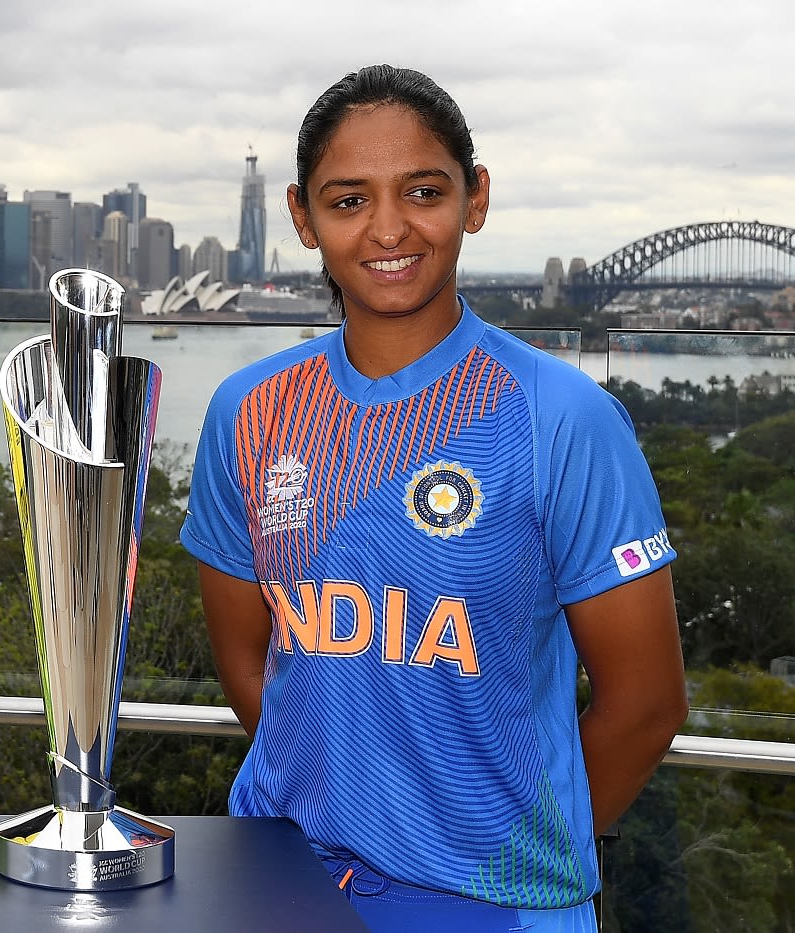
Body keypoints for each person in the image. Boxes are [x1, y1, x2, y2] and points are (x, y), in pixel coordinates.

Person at [180, 65, 687, 933]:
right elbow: (250, 665)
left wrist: (503, 848)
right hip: (282, 876)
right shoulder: (248, 410)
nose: (388, 228)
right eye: (347, 201)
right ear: (302, 218)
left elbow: (647, 704)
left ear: (474, 198)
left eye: (422, 191)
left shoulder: (563, 418)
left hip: (495, 903)